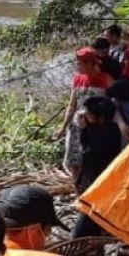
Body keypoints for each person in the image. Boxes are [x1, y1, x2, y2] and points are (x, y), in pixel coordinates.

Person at [53, 46, 111, 179]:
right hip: (76, 125)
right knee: (74, 159)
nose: (78, 66)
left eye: (80, 64)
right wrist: (63, 127)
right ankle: (76, 187)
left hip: (96, 127)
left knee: (94, 159)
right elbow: (72, 104)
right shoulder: (78, 79)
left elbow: (113, 104)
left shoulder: (105, 79)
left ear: (91, 63)